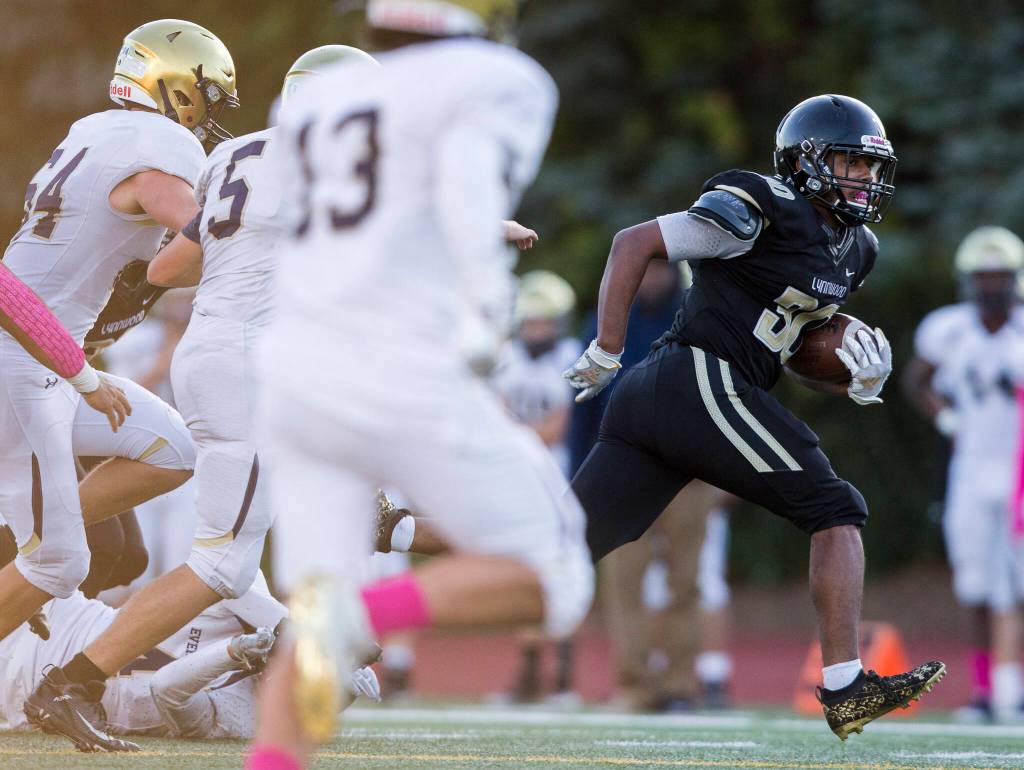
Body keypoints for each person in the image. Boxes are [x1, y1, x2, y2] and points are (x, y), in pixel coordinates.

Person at [245, 3, 594, 768]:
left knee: (309, 644)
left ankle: (318, 654)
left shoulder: (309, 99)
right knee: (556, 575)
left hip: (294, 373)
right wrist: (483, 302)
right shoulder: (496, 78)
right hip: (396, 363)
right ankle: (363, 611)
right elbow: (468, 187)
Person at [562, 93, 944, 740]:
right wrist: (606, 346)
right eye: (851, 164)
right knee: (836, 508)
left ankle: (394, 531)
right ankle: (848, 687)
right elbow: (636, 243)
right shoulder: (762, 205)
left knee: (558, 552)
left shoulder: (856, 249)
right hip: (694, 377)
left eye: (872, 168)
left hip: (683, 394)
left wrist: (851, 375)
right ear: (806, 163)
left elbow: (792, 351)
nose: (866, 180)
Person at [11, 18, 238, 752]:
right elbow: (207, 236)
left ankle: (33, 530)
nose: (207, 113)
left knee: (169, 447)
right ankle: (34, 542)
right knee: (64, 563)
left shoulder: (91, 130)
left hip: (45, 356)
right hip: (29, 359)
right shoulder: (156, 147)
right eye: (203, 96)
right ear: (171, 87)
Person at [903, 226, 1024, 722]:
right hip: (971, 472)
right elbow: (916, 379)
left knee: (1016, 585)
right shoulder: (947, 329)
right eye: (984, 276)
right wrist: (944, 417)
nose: (992, 285)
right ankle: (982, 689)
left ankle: (1012, 690)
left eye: (1000, 276)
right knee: (976, 585)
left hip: (1020, 475)